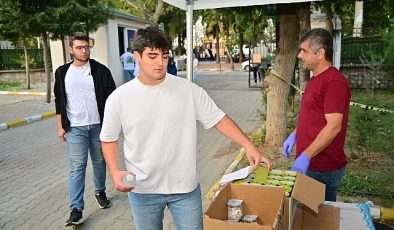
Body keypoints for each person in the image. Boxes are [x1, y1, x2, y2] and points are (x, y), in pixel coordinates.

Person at [100, 26, 272, 230]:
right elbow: (108, 138)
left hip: (184, 188)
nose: (160, 63)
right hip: (142, 189)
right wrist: (113, 171)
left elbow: (219, 119)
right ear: (137, 56)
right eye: (153, 56)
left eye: (164, 56)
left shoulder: (189, 90)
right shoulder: (119, 98)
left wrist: (249, 146)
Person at [54, 32, 116, 226]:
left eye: (86, 47)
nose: (84, 50)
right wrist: (60, 126)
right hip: (75, 128)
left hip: (98, 125)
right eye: (79, 47)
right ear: (70, 50)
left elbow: (112, 98)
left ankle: (100, 192)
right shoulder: (62, 72)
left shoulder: (100, 70)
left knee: (99, 161)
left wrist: (112, 124)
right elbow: (59, 100)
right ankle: (76, 209)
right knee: (77, 168)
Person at [282, 28, 351, 201]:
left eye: (304, 51)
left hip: (323, 169)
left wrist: (306, 155)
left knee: (320, 221)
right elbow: (311, 116)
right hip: (312, 164)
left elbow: (334, 126)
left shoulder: (334, 82)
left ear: (320, 53)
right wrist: (294, 135)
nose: (299, 55)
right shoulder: (315, 79)